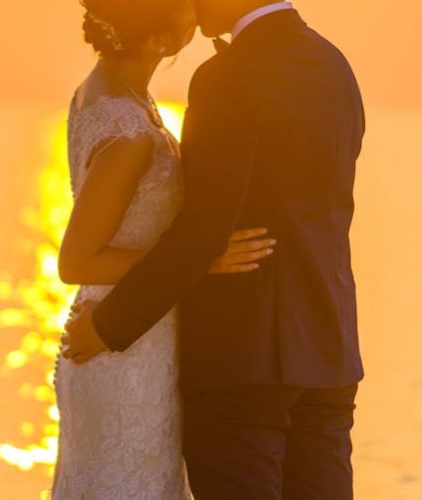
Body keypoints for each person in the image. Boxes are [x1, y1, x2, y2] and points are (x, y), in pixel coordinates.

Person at [65, 0, 367, 498]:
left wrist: (108, 325)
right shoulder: (335, 64)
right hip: (329, 349)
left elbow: (204, 230)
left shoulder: (226, 77)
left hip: (244, 361)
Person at [51, 0, 277, 498]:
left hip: (133, 335)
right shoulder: (128, 134)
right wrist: (203, 262)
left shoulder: (102, 93)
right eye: (178, 7)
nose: (193, 7)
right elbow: (76, 261)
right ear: (156, 41)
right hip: (125, 358)